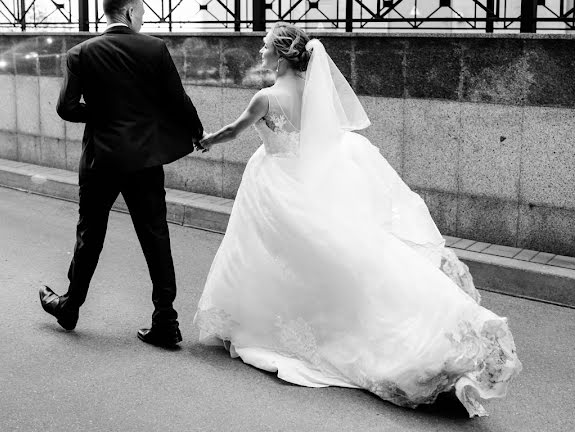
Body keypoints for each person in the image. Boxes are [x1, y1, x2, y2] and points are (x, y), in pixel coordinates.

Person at [193, 22, 521, 417]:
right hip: (310, 182)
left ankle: (287, 323)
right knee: (332, 256)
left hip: (275, 182)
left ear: (280, 54)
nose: (260, 52)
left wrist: (207, 140)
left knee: (272, 257)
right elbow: (327, 142)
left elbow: (233, 130)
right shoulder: (315, 95)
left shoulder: (265, 97)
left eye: (264, 47)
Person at [39, 0, 204, 349]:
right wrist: (197, 131)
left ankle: (70, 306)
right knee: (155, 236)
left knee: (90, 235)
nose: (143, 19)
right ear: (129, 11)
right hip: (144, 161)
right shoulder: (154, 48)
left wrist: (99, 112)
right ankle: (166, 321)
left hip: (101, 160)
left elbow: (66, 108)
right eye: (142, 12)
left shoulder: (80, 53)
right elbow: (178, 100)